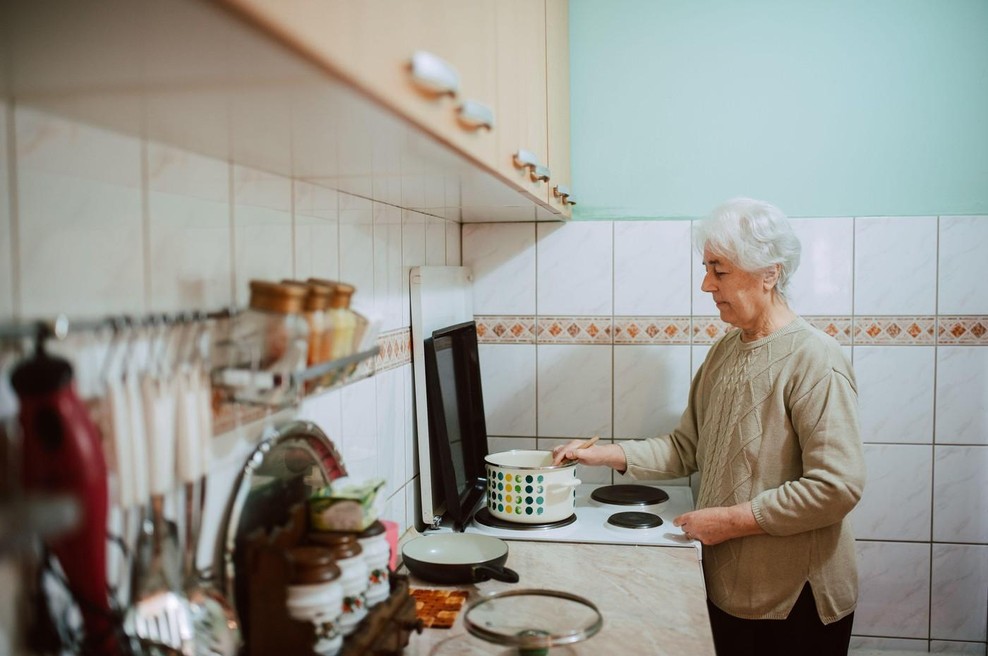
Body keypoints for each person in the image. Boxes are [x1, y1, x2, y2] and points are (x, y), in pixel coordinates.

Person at [552, 198, 866, 656]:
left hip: (796, 600)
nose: (706, 284)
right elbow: (687, 448)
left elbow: (836, 487)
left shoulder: (815, 359)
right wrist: (603, 455)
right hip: (727, 584)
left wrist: (732, 522)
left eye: (719, 271)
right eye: (707, 269)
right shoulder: (725, 351)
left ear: (769, 273)